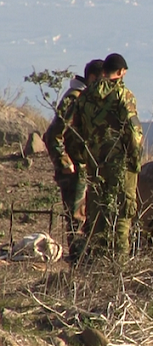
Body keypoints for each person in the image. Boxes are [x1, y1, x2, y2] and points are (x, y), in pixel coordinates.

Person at [72, 53, 143, 261]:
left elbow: (75, 132)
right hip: (119, 164)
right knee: (122, 215)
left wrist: (81, 159)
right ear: (121, 72)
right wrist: (135, 160)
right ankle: (118, 267)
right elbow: (133, 131)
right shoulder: (123, 95)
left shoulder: (84, 96)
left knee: (97, 216)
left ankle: (97, 266)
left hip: (95, 165)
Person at [43, 59, 104, 240]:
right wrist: (64, 163)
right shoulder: (75, 98)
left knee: (86, 217)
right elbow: (53, 134)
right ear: (92, 78)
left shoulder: (85, 99)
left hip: (84, 167)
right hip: (74, 170)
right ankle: (77, 261)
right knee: (77, 219)